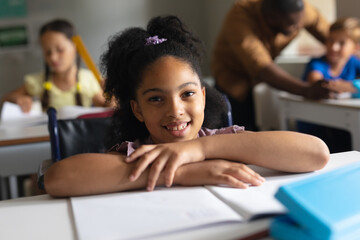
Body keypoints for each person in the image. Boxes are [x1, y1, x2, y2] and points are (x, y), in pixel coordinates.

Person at [44, 15, 329, 197]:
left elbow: (316, 153)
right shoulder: (140, 153)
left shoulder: (222, 142)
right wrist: (183, 172)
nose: (175, 109)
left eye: (187, 94)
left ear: (203, 97)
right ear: (137, 109)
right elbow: (57, 178)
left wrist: (201, 149)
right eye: (156, 98)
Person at [211, 0, 331, 130]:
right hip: (231, 80)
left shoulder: (301, 11)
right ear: (271, 19)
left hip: (256, 82)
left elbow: (333, 37)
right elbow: (262, 68)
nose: (299, 27)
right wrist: (306, 90)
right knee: (235, 131)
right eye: (292, 25)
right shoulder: (240, 16)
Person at [1, 19, 111, 112]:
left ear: (75, 47)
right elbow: (5, 99)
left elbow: (109, 109)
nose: (53, 57)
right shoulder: (37, 82)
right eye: (48, 52)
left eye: (60, 50)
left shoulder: (90, 80)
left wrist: (112, 96)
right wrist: (17, 99)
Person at [300, 17, 360, 153]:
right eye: (330, 40)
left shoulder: (354, 63)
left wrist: (345, 86)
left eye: (342, 43)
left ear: (355, 48)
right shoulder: (317, 63)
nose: (334, 47)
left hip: (343, 126)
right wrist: (353, 86)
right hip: (314, 127)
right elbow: (319, 83)